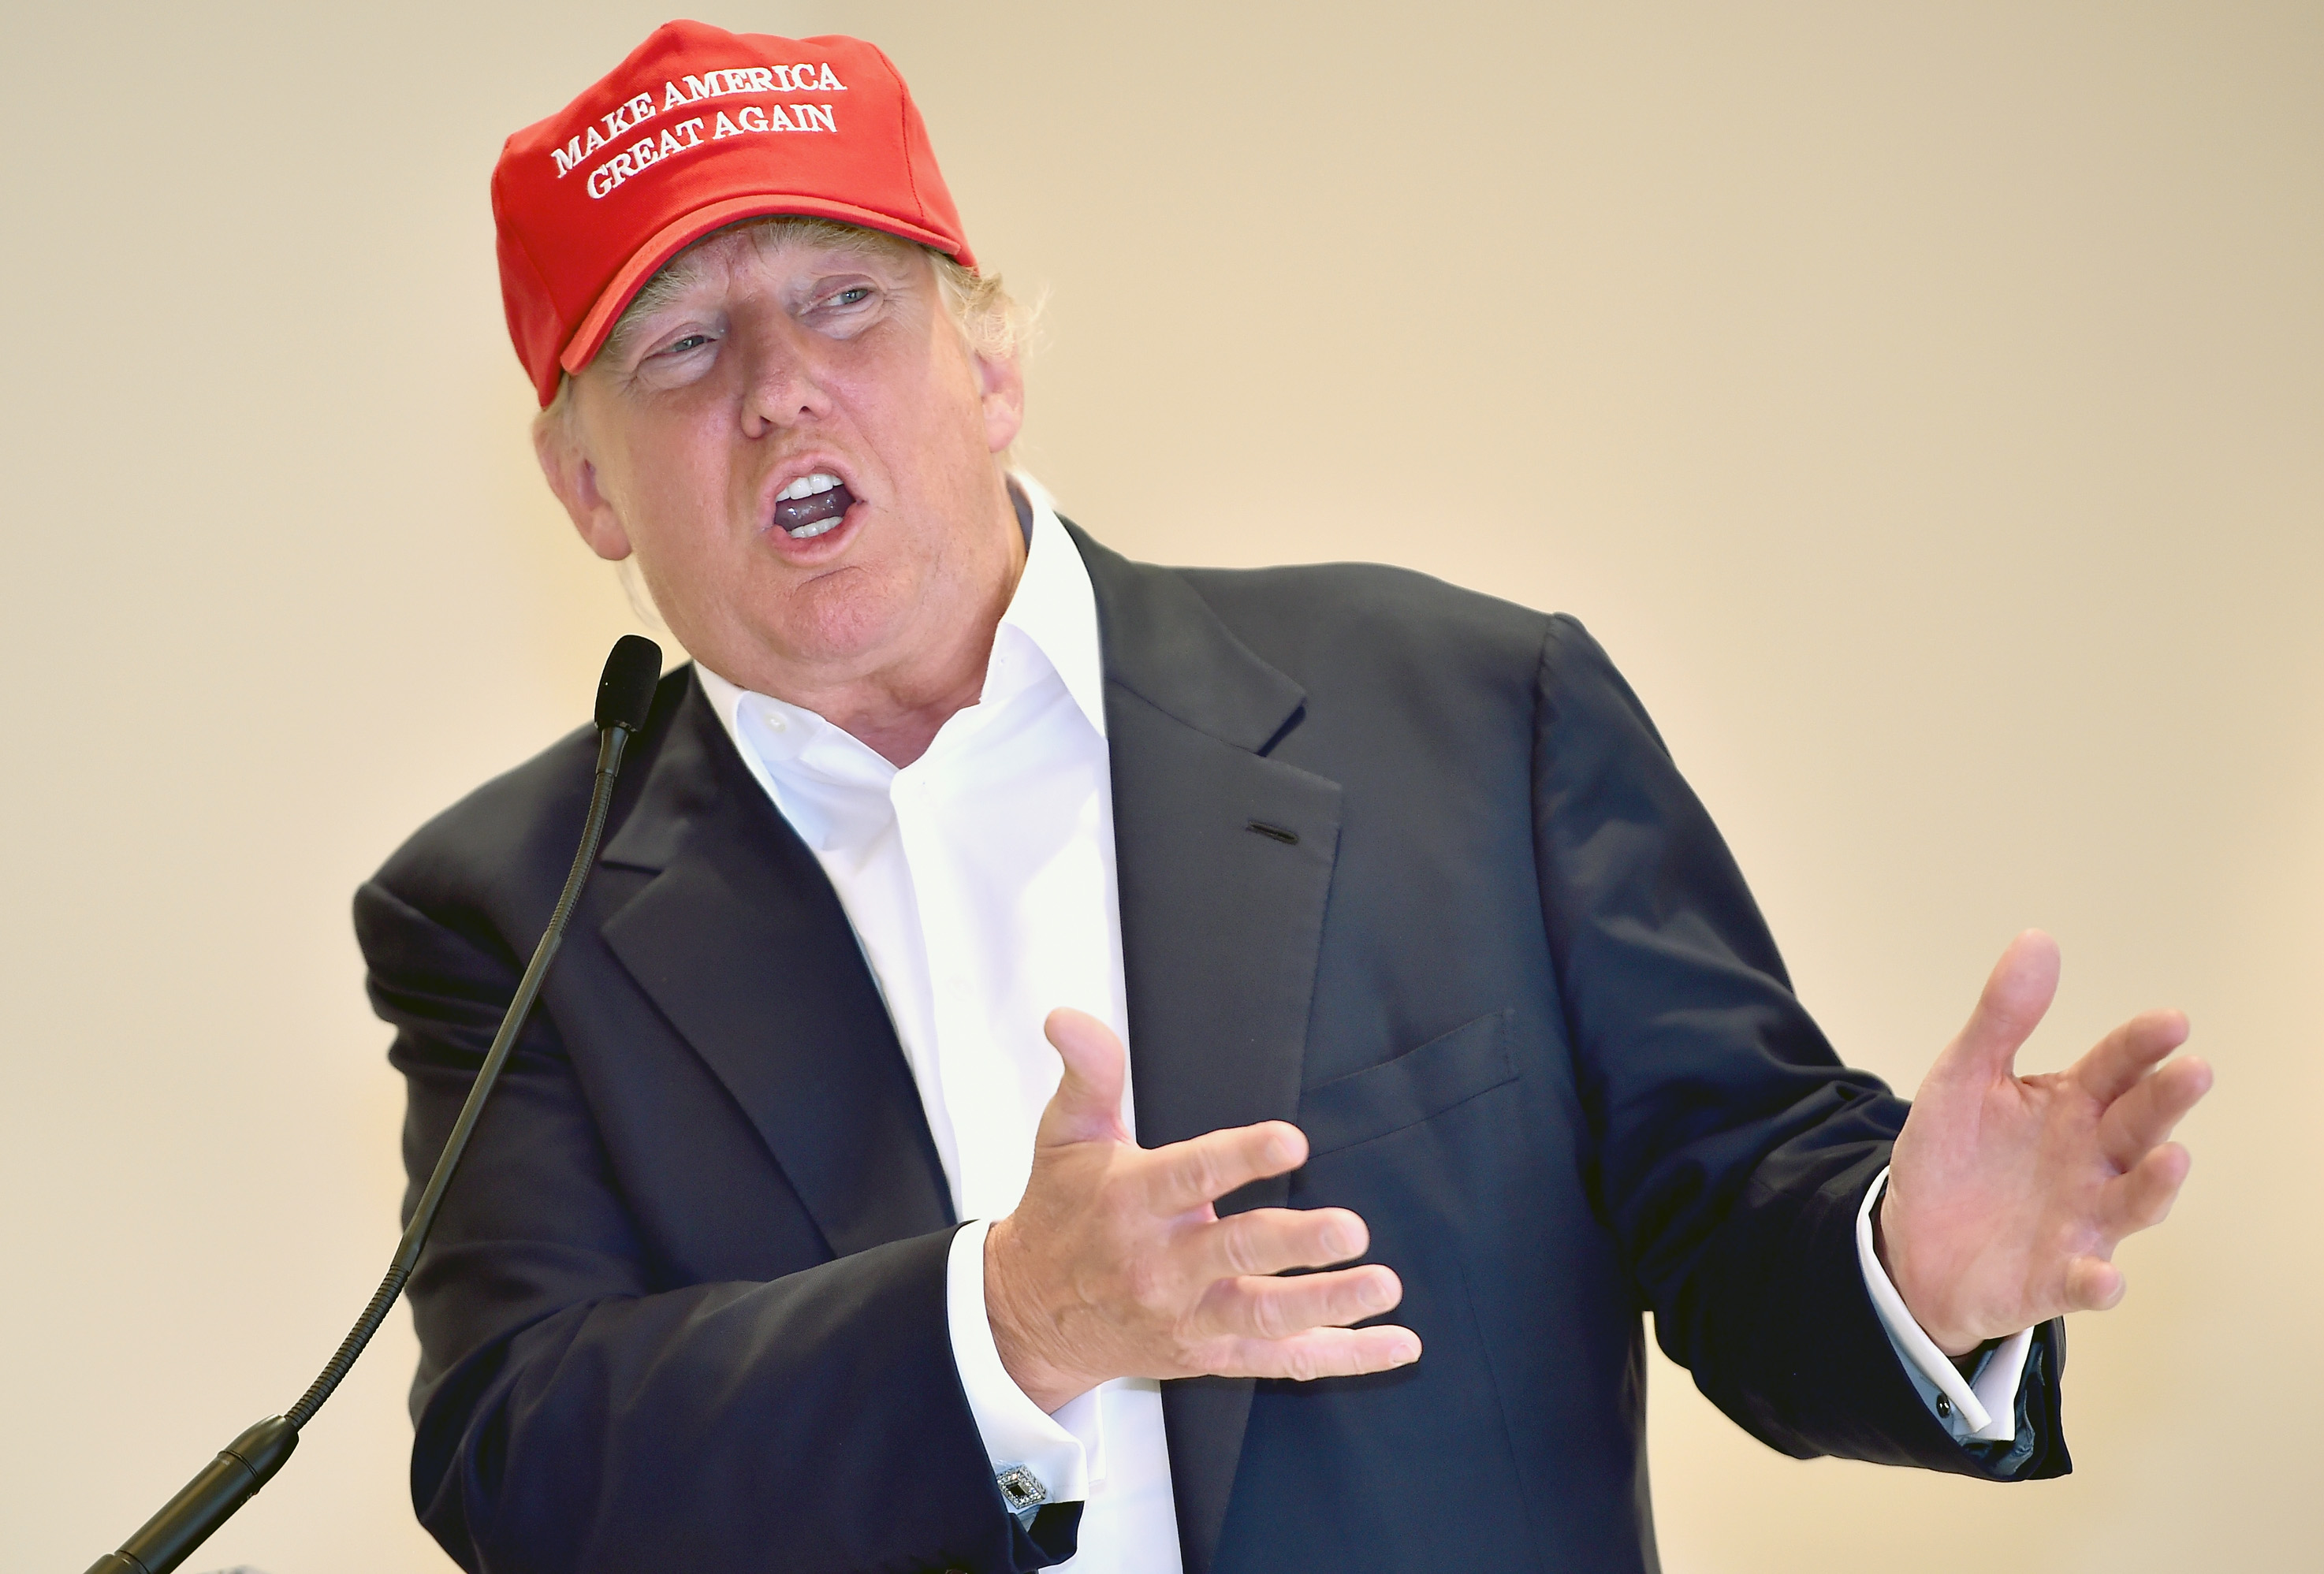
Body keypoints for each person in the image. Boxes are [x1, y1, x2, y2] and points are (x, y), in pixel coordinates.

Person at [361, 20, 2212, 1573]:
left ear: (991, 361)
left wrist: (1909, 1262)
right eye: (682, 347)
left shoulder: (1469, 712)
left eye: (848, 301)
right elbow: (527, 1456)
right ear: (585, 487)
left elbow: (1734, 1203)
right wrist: (1007, 1325)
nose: (779, 390)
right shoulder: (509, 917)